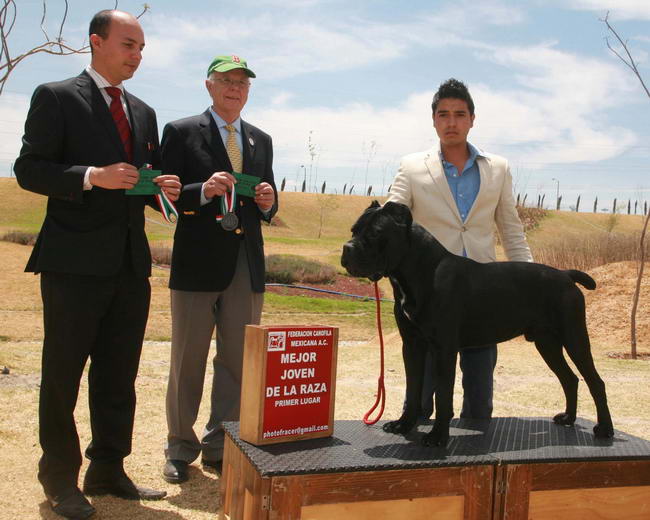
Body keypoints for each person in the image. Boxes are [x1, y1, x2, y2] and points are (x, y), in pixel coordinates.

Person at [14, 9, 181, 520]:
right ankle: (59, 478)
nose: (137, 54)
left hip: (131, 266)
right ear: (96, 41)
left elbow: (139, 179)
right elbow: (29, 169)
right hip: (72, 263)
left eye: (141, 47)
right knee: (62, 375)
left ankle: (108, 468)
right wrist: (91, 175)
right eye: (129, 44)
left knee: (118, 374)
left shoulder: (145, 112)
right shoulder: (57, 96)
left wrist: (163, 190)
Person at [387, 78, 532, 421]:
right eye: (443, 114)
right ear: (433, 119)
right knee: (422, 399)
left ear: (472, 119)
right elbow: (392, 224)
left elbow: (511, 228)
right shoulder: (411, 167)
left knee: (480, 395)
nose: (451, 122)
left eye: (459, 114)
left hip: (482, 295)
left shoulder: (498, 167)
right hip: (428, 297)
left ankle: (476, 449)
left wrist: (528, 285)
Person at [161, 55, 277, 484]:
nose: (235, 88)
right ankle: (179, 447)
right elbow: (165, 195)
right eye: (226, 81)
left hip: (246, 263)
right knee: (187, 360)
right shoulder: (181, 131)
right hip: (196, 264)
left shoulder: (260, 140)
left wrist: (268, 201)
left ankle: (220, 444)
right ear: (209, 86)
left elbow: (268, 196)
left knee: (236, 361)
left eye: (242, 83)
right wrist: (203, 191)